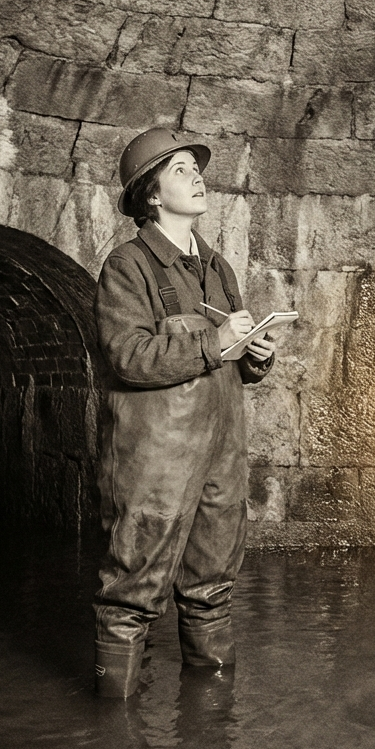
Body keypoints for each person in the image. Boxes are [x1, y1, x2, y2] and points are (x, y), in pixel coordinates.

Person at [92, 128, 276, 699]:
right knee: (131, 593)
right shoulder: (129, 267)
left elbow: (231, 353)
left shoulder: (218, 268)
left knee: (212, 587)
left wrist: (255, 355)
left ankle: (211, 720)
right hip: (155, 463)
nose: (197, 176)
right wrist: (212, 343)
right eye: (179, 169)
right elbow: (127, 356)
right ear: (151, 193)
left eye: (197, 168)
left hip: (221, 458)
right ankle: (112, 730)